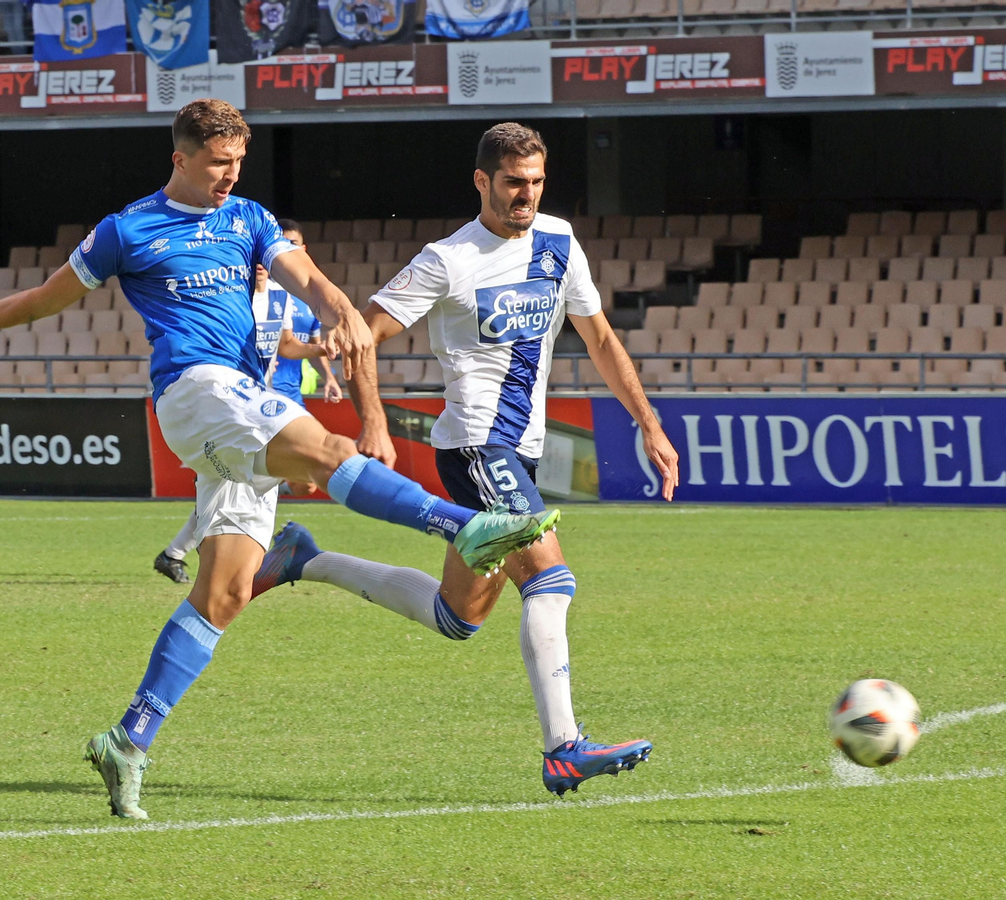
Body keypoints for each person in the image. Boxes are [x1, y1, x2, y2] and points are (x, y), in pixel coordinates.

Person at [0, 100, 558, 820]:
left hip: (240, 413)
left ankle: (127, 740)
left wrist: (339, 310)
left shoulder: (250, 219)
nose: (229, 176)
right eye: (217, 163)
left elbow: (309, 280)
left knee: (226, 591)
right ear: (181, 159)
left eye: (237, 163)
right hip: (196, 392)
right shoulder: (127, 229)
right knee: (330, 450)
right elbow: (48, 299)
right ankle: (461, 526)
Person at [245, 122, 681, 797]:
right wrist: (375, 419)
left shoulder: (560, 242)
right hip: (478, 445)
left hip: (521, 451)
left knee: (459, 616)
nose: (526, 195)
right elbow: (364, 333)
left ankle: (307, 559)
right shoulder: (447, 259)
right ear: (482, 181)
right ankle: (563, 747)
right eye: (513, 183)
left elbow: (597, 337)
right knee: (551, 579)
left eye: (536, 181)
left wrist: (647, 423)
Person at [152, 219, 344, 585]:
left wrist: (323, 355)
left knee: (275, 481)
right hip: (235, 405)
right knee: (242, 479)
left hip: (273, 399)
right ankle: (215, 559)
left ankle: (184, 554)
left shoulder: (285, 297)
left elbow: (286, 344)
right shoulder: (229, 293)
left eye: (294, 244)